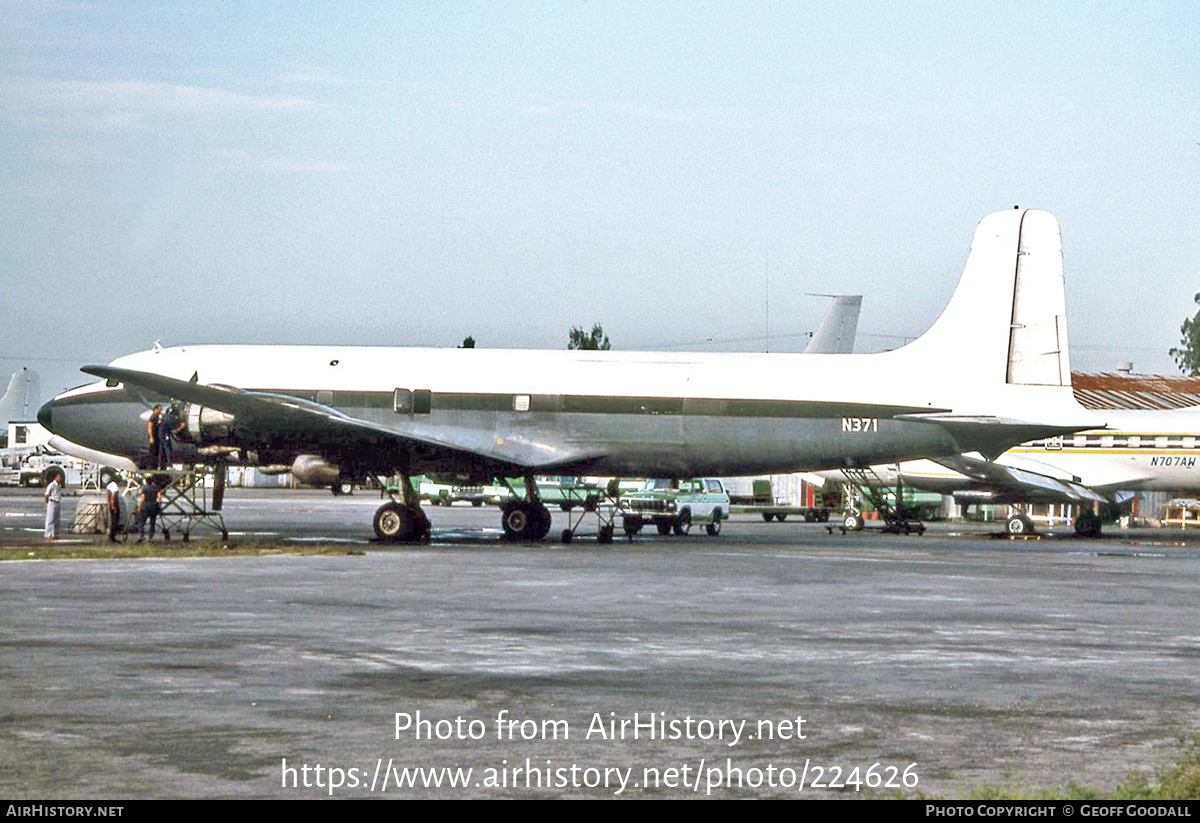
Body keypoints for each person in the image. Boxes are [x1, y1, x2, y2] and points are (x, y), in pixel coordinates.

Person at [137, 478, 162, 543]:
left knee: (142, 522)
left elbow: (143, 499)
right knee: (152, 522)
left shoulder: (144, 488)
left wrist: (140, 507)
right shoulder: (156, 488)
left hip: (146, 506)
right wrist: (159, 505)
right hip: (154, 506)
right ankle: (150, 538)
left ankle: (142, 536)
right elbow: (159, 497)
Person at [44, 470, 62, 541]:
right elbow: (47, 494)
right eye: (59, 477)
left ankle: (55, 534)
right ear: (55, 478)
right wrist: (47, 502)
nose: (60, 478)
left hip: (58, 501)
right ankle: (48, 535)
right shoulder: (52, 485)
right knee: (50, 519)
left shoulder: (59, 485)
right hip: (52, 501)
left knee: (57, 519)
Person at [106, 476, 122, 543]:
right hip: (114, 506)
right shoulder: (115, 487)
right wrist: (114, 507)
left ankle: (112, 535)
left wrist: (109, 505)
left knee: (112, 520)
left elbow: (108, 497)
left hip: (110, 506)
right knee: (115, 520)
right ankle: (112, 535)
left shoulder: (109, 486)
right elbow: (113, 497)